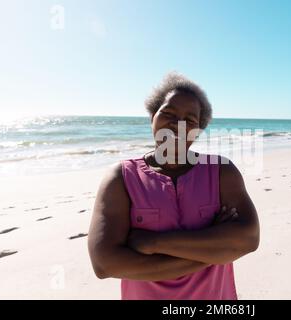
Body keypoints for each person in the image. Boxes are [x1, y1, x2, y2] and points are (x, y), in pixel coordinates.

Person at [88, 72, 260, 299]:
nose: (178, 125)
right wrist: (217, 250)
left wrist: (153, 242)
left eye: (190, 120)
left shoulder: (220, 172)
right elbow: (105, 264)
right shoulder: (122, 178)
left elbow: (248, 239)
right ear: (152, 117)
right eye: (168, 113)